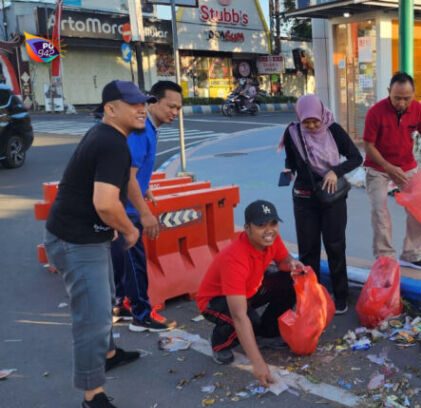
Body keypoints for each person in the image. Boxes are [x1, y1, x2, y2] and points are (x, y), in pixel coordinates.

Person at [43, 80, 156, 408]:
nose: (142, 109)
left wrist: (143, 211)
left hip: (86, 237)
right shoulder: (111, 142)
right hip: (77, 241)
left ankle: (108, 353)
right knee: (91, 318)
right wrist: (131, 228)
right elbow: (106, 204)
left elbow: (128, 183)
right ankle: (91, 396)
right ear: (110, 109)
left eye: (143, 103)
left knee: (103, 297)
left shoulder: (112, 138)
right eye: (133, 104)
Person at [196, 200, 303, 386]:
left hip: (248, 291)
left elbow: (284, 260)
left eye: (273, 223)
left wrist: (293, 264)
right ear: (247, 228)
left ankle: (266, 334)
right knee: (247, 319)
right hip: (214, 301)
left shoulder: (272, 240)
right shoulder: (235, 259)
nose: (269, 230)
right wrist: (258, 363)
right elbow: (239, 316)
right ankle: (219, 342)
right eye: (261, 225)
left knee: (291, 281)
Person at [280, 94, 362, 314]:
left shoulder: (333, 130)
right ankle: (309, 295)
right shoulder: (293, 133)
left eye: (315, 120)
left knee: (335, 245)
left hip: (332, 196)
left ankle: (341, 295)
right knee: (307, 250)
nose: (312, 125)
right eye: (307, 122)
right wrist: (289, 170)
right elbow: (290, 158)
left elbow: (356, 158)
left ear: (321, 114)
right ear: (300, 118)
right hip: (304, 197)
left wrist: (336, 172)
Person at [111, 81, 182, 331]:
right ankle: (142, 315)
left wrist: (145, 186)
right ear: (153, 102)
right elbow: (128, 175)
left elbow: (134, 170)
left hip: (125, 203)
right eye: (170, 105)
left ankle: (119, 305)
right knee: (135, 261)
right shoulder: (142, 131)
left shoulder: (150, 128)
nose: (174, 112)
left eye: (178, 108)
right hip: (126, 210)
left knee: (122, 261)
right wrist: (144, 213)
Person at [363, 71, 421, 270]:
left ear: (414, 94)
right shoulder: (375, 112)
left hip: (407, 166)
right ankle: (385, 257)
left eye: (406, 98)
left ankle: (411, 255)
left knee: (419, 208)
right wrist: (387, 167)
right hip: (378, 167)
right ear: (388, 92)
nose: (402, 103)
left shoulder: (418, 109)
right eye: (397, 98)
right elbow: (369, 146)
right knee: (380, 209)